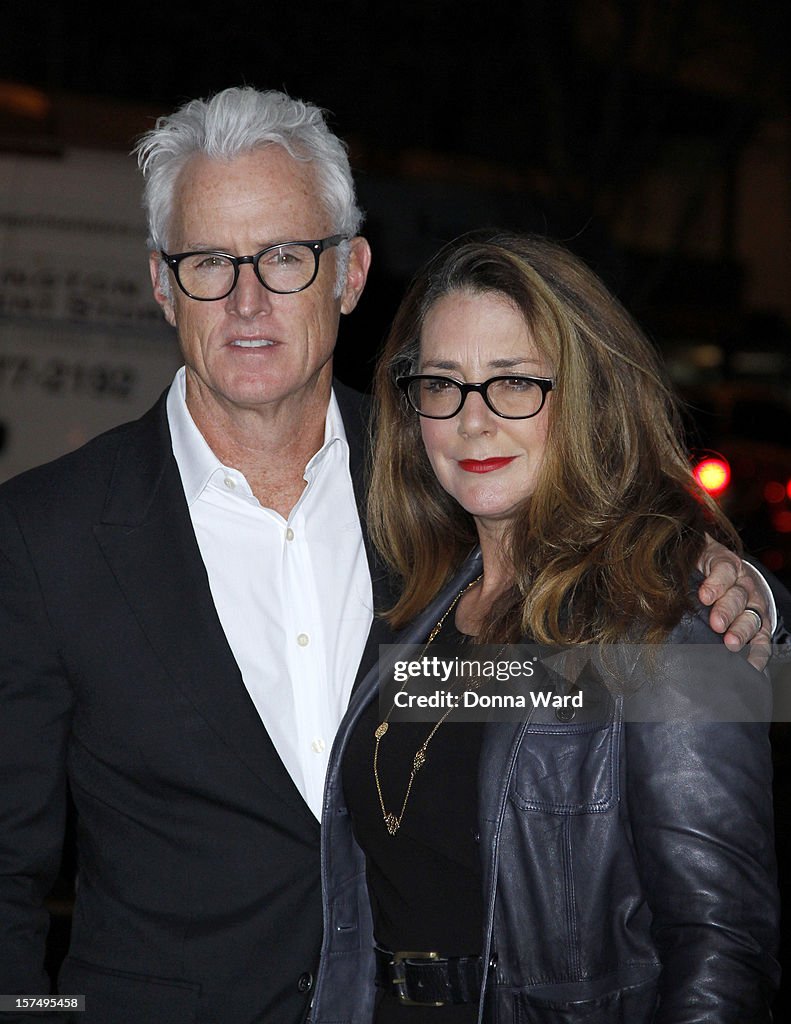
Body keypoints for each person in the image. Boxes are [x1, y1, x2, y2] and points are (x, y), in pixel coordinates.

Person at [0, 88, 771, 1024]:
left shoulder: (432, 485)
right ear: (162, 284)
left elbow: (640, 655)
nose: (247, 299)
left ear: (351, 274)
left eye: (286, 256)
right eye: (208, 261)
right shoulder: (44, 534)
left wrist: (743, 593)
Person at [310, 232, 781, 1023]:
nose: (472, 421)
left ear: (588, 396)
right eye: (443, 384)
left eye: (515, 383)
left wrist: (754, 594)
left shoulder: (672, 618)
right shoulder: (418, 604)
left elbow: (721, 946)